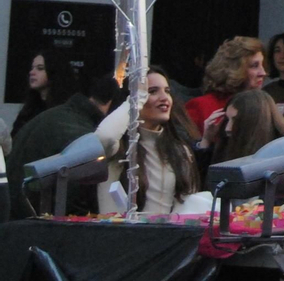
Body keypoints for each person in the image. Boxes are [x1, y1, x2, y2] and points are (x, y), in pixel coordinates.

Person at [94, 67, 205, 215]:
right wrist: (136, 99)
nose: (164, 97)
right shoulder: (118, 147)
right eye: (152, 91)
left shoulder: (179, 150)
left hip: (163, 236)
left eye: (167, 91)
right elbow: (104, 137)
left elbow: (187, 205)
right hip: (117, 236)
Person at [8, 74, 120, 218]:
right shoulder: (81, 134)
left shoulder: (56, 117)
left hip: (17, 222)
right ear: (111, 102)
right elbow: (73, 200)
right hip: (38, 228)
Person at [183, 36, 267, 136]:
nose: (263, 73)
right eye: (254, 66)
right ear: (235, 69)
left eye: (262, 65)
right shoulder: (200, 107)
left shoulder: (263, 105)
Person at [11, 48, 82, 137]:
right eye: (32, 68)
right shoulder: (28, 111)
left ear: (53, 71)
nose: (32, 72)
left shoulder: (67, 111)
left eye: (40, 68)